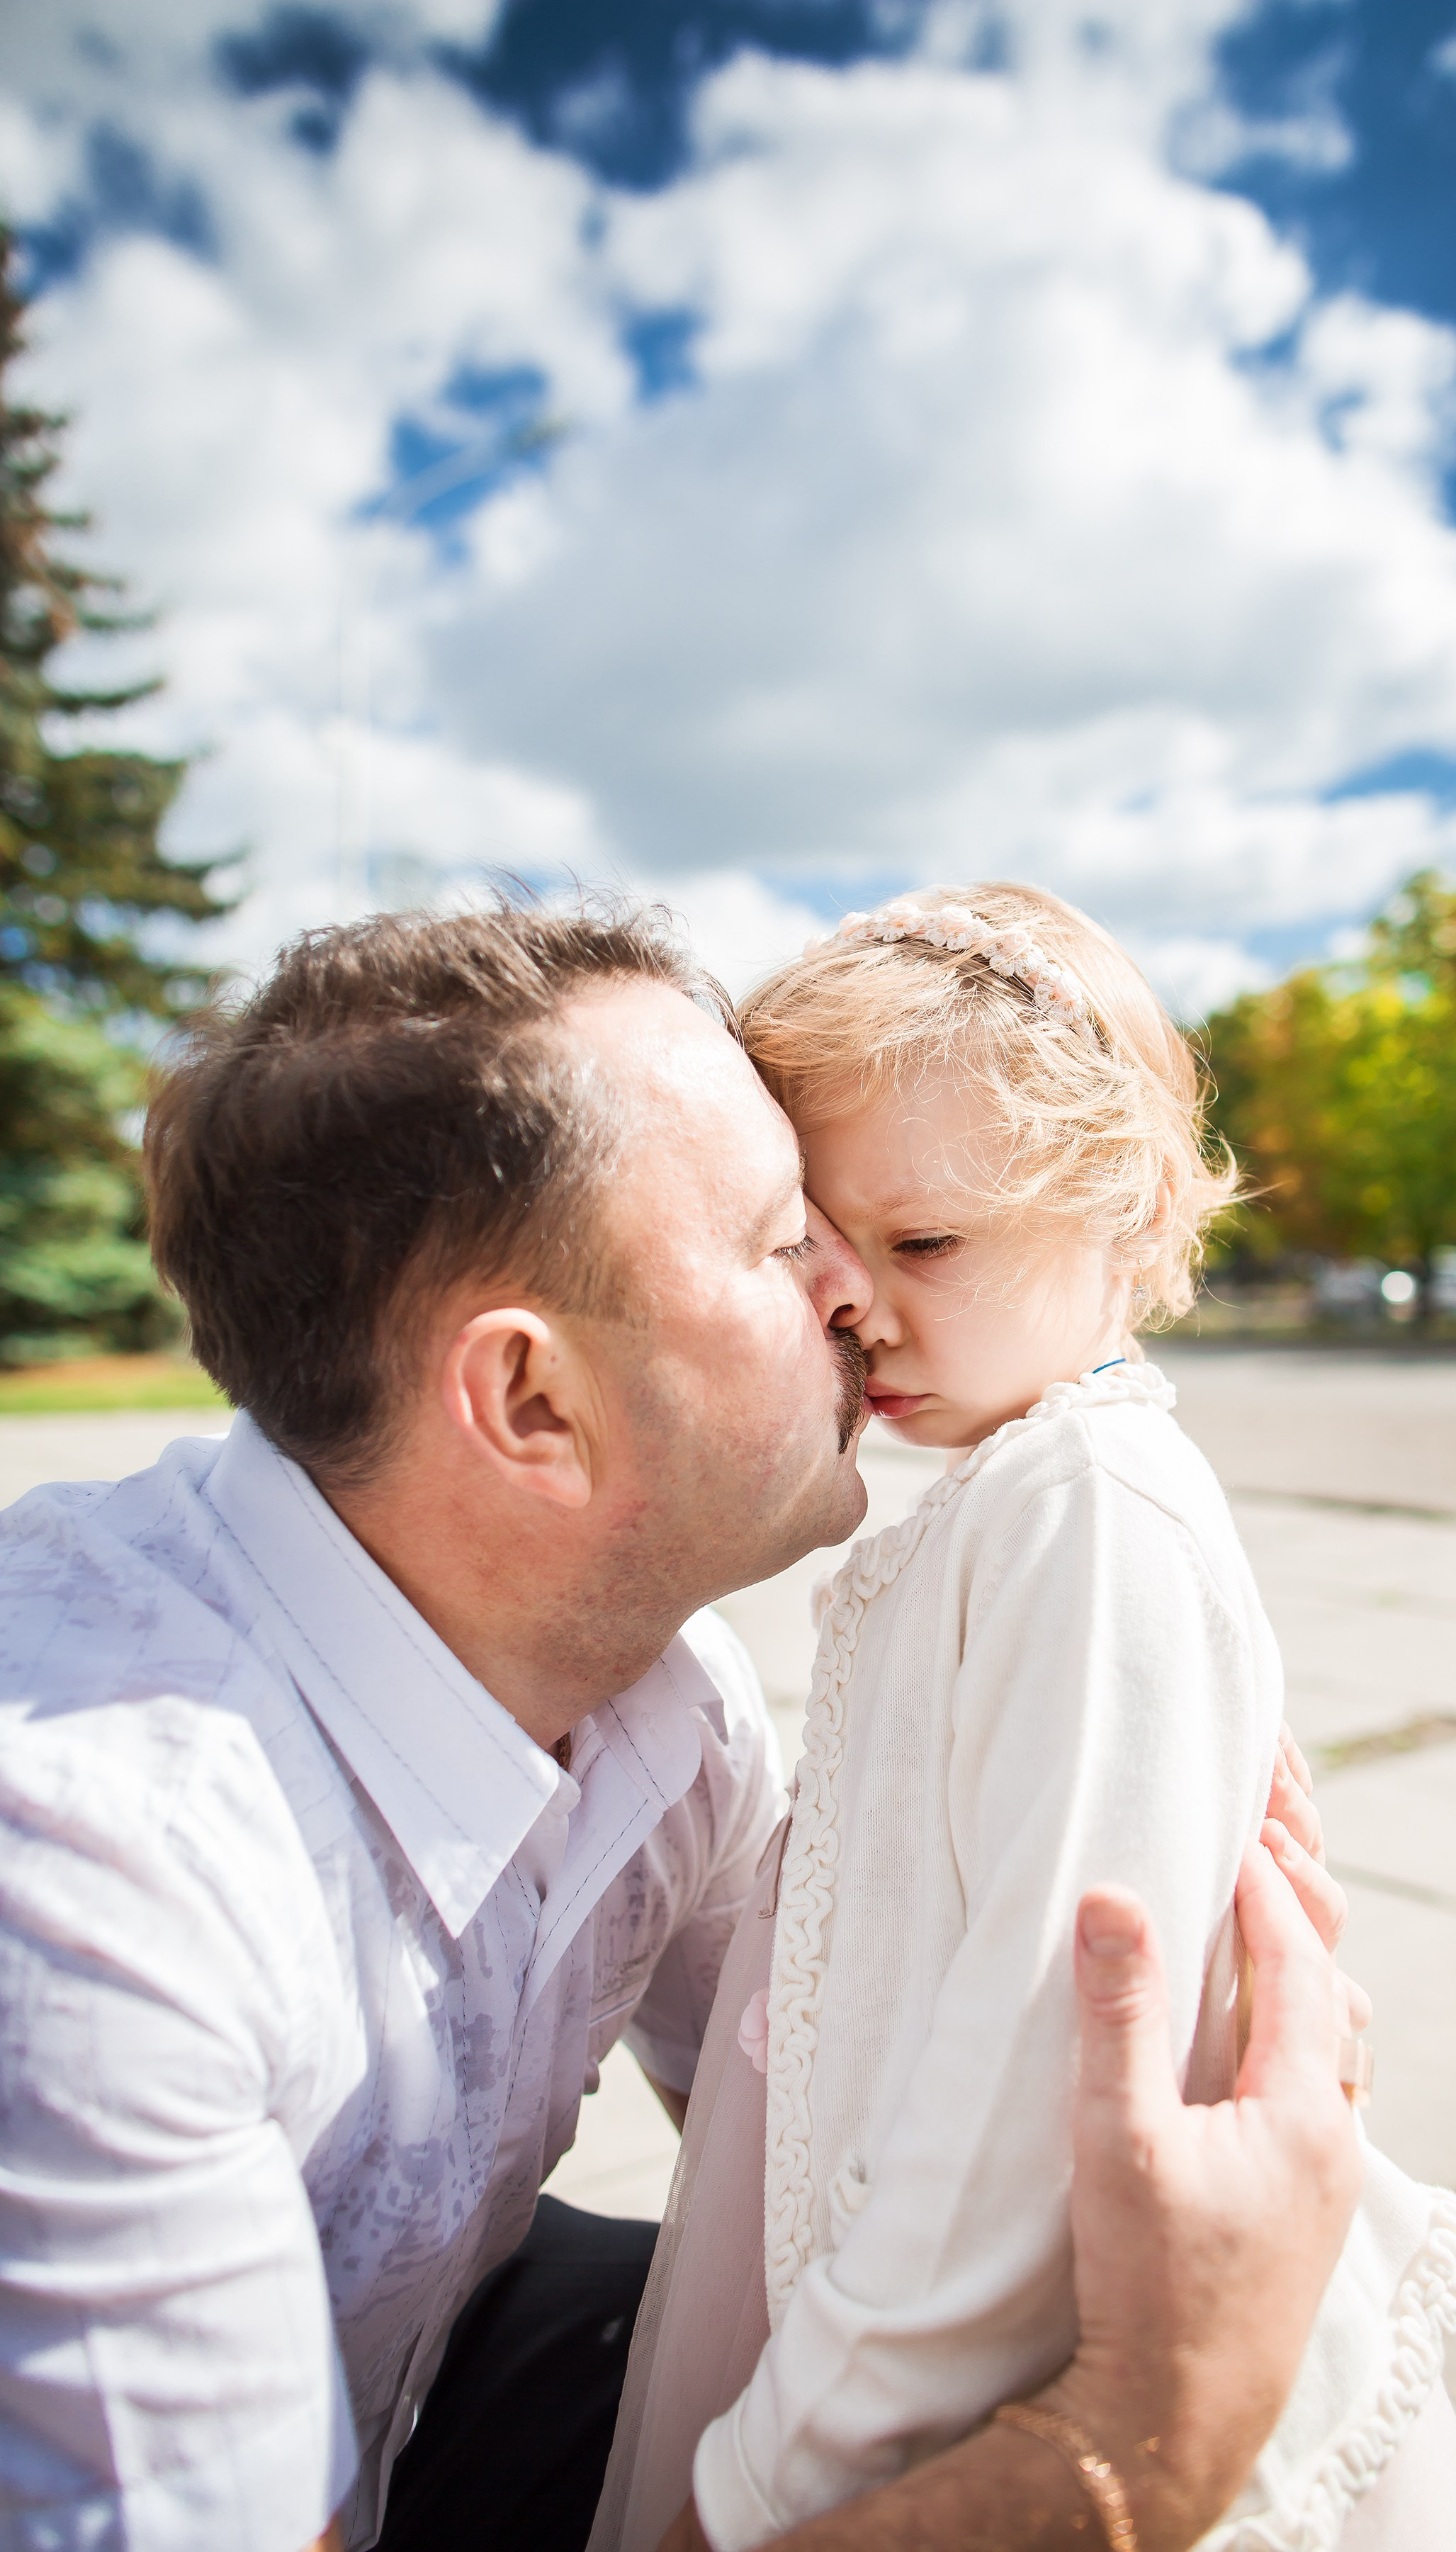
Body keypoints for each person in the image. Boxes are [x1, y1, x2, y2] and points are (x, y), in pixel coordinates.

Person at [0, 902, 1358, 2552]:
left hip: (419, 2382)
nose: (850, 1296)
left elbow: (830, 2095)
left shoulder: (672, 1712)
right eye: (789, 1236)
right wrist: (1142, 2434)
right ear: (532, 1405)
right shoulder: (91, 1896)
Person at [592, 886, 1456, 2552]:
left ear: (1128, 1205)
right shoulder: (998, 1502)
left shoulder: (1080, 1504)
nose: (853, 1303)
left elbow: (1045, 2035)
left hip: (961, 2349)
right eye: (819, 1251)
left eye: (923, 1241)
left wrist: (783, 2471)